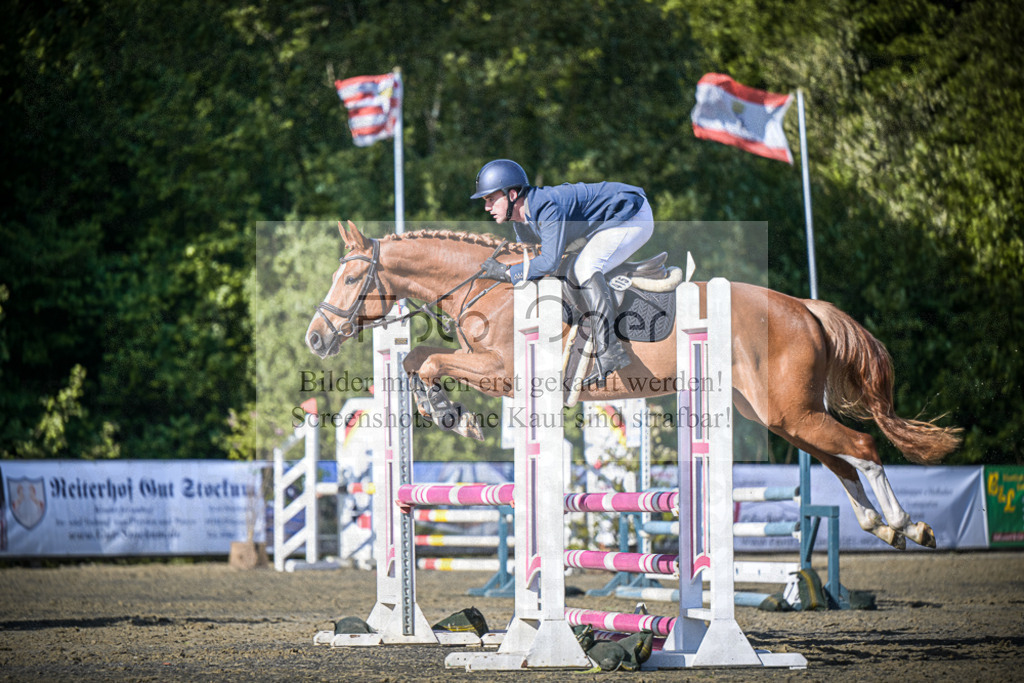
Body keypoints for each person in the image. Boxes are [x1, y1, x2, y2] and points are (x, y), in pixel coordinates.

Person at [471, 159, 654, 388]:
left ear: (512, 195)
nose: (486, 207)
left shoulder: (547, 207)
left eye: (490, 199)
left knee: (585, 267)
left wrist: (508, 273)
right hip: (607, 220)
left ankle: (609, 350)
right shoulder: (521, 221)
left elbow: (548, 261)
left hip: (632, 215)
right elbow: (530, 263)